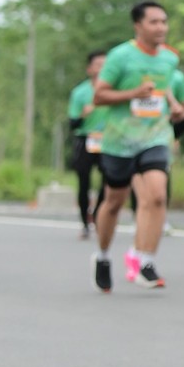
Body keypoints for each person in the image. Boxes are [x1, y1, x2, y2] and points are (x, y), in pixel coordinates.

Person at [92, 3, 184, 290]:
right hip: (120, 140)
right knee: (114, 202)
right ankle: (103, 256)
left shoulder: (169, 58)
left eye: (164, 22)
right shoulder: (120, 56)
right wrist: (133, 93)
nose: (161, 27)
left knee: (157, 195)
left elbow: (164, 87)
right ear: (138, 26)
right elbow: (99, 96)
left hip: (155, 136)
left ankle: (146, 260)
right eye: (154, 22)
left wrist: (175, 107)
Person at [67, 50, 108, 240]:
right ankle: (85, 222)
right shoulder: (80, 92)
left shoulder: (114, 90)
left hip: (108, 139)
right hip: (86, 139)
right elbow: (72, 123)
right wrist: (84, 114)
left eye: (105, 65)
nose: (102, 69)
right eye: (98, 65)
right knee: (84, 181)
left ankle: (99, 216)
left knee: (110, 180)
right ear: (89, 69)